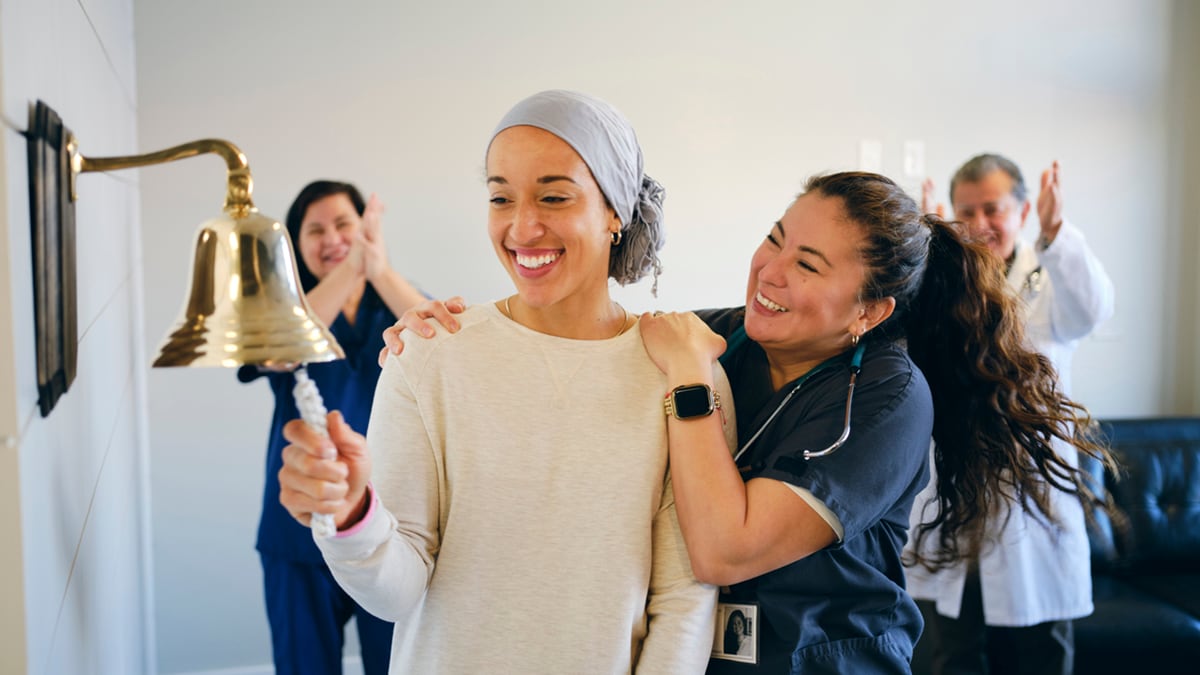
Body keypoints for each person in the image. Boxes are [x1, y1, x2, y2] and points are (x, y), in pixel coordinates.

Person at [386, 171, 1113, 673]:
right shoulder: (732, 335)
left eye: (808, 262)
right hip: (711, 654)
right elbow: (588, 337)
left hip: (825, 659)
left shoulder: (891, 399)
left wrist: (691, 381)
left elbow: (723, 549)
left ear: (868, 311)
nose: (770, 270)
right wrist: (441, 327)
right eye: (774, 236)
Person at [276, 90, 728, 673]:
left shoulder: (680, 370)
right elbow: (395, 592)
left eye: (554, 196)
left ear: (615, 211)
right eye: (500, 197)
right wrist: (349, 514)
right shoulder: (429, 354)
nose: (522, 227)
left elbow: (682, 603)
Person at [908, 154, 1115, 675]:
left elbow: (1095, 309)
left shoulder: (1052, 278)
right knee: (953, 654)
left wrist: (1058, 232)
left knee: (1040, 655)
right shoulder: (944, 286)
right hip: (957, 490)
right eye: (965, 212)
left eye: (992, 209)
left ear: (1022, 211)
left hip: (1032, 497)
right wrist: (932, 251)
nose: (979, 224)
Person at [237, 179, 427, 675]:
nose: (332, 238)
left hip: (386, 530)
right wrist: (353, 264)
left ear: (367, 228)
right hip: (298, 531)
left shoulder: (398, 303)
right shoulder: (284, 313)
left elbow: (441, 345)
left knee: (394, 665)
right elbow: (280, 349)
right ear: (296, 247)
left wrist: (376, 267)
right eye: (314, 231)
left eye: (344, 224)